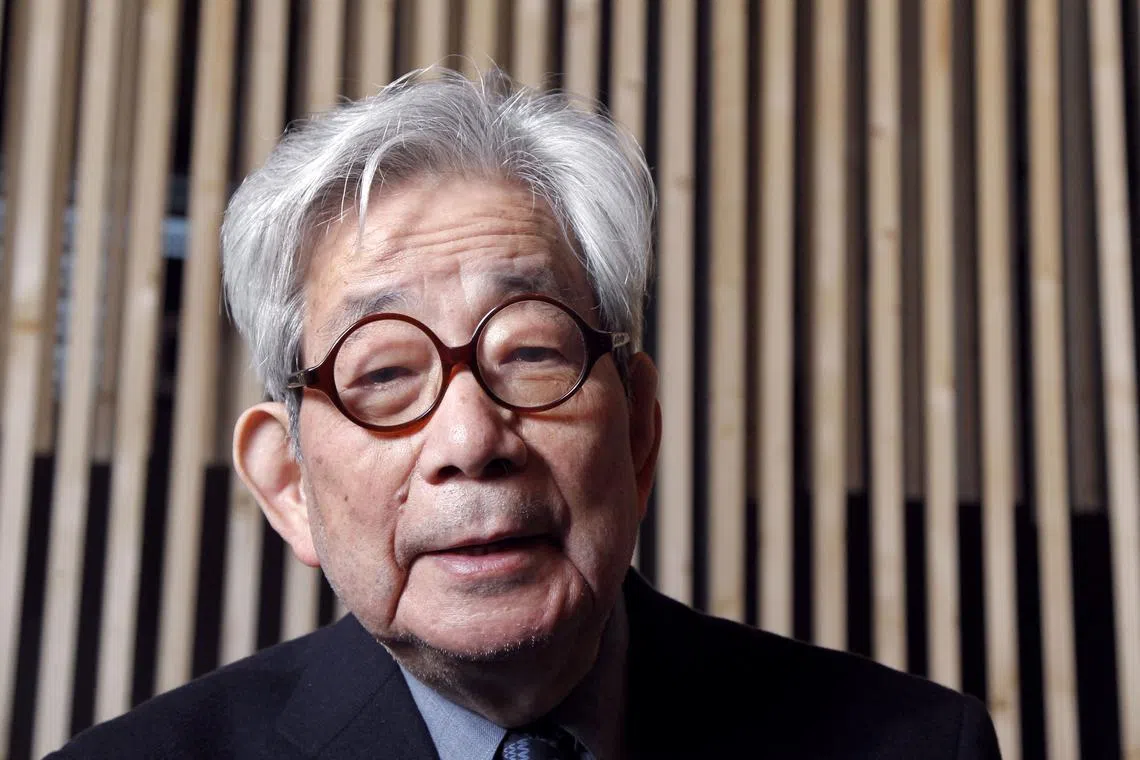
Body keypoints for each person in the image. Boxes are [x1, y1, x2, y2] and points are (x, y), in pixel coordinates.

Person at [51, 67, 1001, 759]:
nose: (469, 441)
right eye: (383, 373)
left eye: (532, 353)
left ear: (637, 432)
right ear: (290, 483)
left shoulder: (916, 745)